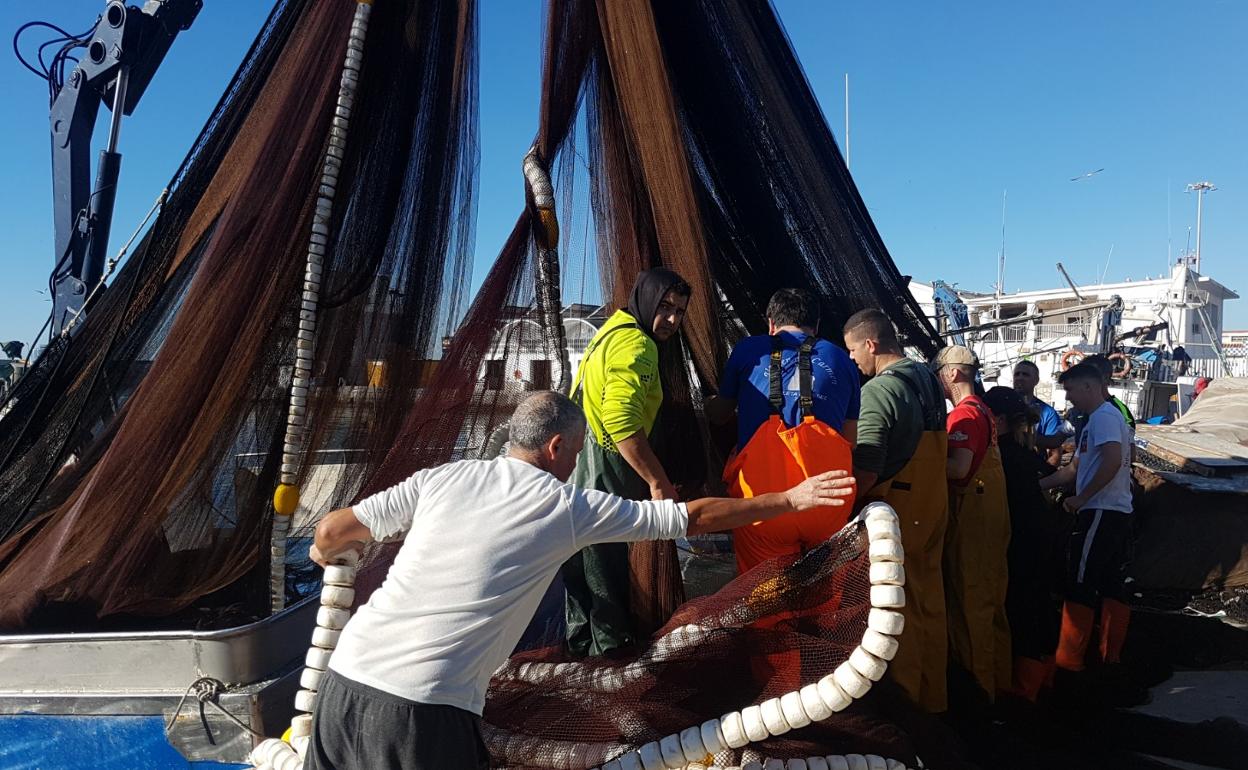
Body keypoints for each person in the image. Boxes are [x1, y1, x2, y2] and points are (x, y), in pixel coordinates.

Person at [306, 392, 856, 769]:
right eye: (577, 450)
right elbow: (692, 517)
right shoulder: (566, 506)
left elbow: (333, 531)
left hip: (344, 681)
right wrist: (788, 498)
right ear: (556, 448)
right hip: (423, 710)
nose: (576, 461)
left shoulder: (443, 476)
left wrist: (322, 551)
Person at [563, 267, 690, 657]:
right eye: (665, 307)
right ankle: (612, 661)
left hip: (576, 466)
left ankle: (580, 653)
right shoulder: (638, 345)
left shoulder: (609, 332)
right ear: (646, 300)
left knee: (580, 569)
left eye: (679, 311)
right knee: (608, 570)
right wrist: (656, 481)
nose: (671, 319)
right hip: (606, 471)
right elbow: (621, 422)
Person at [709, 288, 860, 573]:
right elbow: (850, 439)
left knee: (764, 592)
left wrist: (707, 404)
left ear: (770, 324)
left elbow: (720, 415)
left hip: (762, 506)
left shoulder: (747, 350)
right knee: (822, 592)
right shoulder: (843, 360)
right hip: (826, 503)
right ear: (815, 326)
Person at [843, 309, 949, 713]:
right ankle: (933, 700)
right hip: (933, 503)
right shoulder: (926, 378)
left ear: (871, 344)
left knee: (895, 610)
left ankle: (905, 709)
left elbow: (867, 467)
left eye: (853, 350)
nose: (852, 359)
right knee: (929, 602)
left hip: (900, 511)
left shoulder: (879, 391)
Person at [1040, 363, 1139, 703]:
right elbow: (1077, 469)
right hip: (1114, 511)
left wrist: (1082, 499)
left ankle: (1070, 664)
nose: (1067, 397)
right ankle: (1110, 660)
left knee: (1080, 582)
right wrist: (1039, 484)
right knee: (1111, 583)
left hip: (1101, 512)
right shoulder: (1099, 420)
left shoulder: (1103, 418)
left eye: (1070, 389)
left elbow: (1111, 460)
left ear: (1088, 386)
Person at [934, 346, 1012, 703]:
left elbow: (959, 468)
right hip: (993, 521)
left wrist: (920, 462)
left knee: (970, 608)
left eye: (939, 373)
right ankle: (1000, 684)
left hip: (973, 524)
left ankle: (979, 698)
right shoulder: (986, 413)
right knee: (992, 605)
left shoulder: (962, 417)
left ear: (952, 373)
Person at [983, 386, 1059, 702]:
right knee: (1041, 610)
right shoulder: (1028, 454)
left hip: (1019, 545)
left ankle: (1022, 690)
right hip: (1042, 541)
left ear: (997, 420)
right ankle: (1045, 680)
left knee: (1021, 612)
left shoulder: (1000, 457)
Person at [1011, 359, 1068, 466]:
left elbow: (1055, 454)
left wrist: (1043, 478)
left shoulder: (1048, 413)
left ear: (1036, 380)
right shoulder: (1002, 406)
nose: (1020, 378)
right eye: (1017, 374)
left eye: (1025, 375)